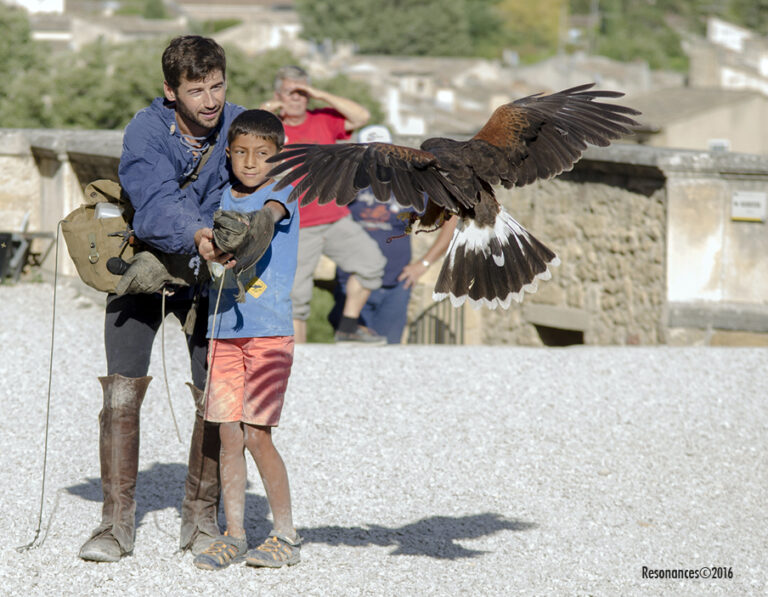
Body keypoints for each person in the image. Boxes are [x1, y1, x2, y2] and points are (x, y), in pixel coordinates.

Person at [78, 35, 244, 563]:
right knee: (120, 393)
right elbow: (153, 203)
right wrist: (200, 234)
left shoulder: (241, 126)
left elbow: (271, 184)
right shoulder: (146, 129)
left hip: (210, 274)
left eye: (217, 85)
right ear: (170, 90)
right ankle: (115, 524)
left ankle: (200, 519)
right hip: (145, 265)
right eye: (197, 90)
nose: (211, 100)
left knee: (213, 394)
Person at [192, 109, 301, 570]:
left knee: (258, 436)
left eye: (262, 154)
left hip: (268, 335)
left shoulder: (283, 191)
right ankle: (234, 533)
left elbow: (271, 216)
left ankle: (286, 535)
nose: (251, 162)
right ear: (229, 155)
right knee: (227, 434)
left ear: (279, 157)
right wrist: (205, 242)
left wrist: (254, 226)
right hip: (222, 332)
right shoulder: (221, 195)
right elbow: (208, 239)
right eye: (240, 153)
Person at [261, 65, 386, 344]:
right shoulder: (271, 127)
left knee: (372, 264)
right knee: (296, 297)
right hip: (296, 225)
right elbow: (243, 132)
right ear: (278, 94)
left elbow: (362, 116)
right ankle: (299, 361)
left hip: (334, 218)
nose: (297, 98)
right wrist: (268, 108)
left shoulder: (325, 119)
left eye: (302, 93)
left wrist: (320, 94)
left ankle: (348, 327)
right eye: (290, 92)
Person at [328, 125, 458, 344]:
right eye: (371, 153)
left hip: (395, 286)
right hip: (352, 283)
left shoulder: (409, 186)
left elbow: (451, 216)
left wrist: (424, 264)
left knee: (389, 356)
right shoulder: (347, 185)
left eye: (384, 152)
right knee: (349, 356)